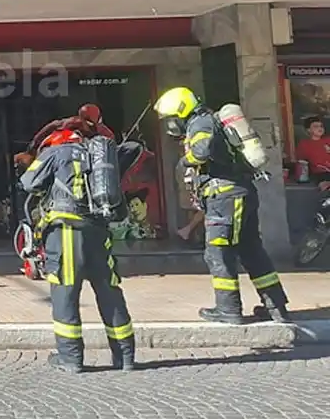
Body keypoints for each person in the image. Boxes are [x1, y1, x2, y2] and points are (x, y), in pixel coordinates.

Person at [153, 87, 290, 324]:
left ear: (182, 110)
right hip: (240, 193)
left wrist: (185, 161)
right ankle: (276, 307)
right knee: (252, 251)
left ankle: (228, 309)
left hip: (224, 199)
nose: (171, 126)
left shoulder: (200, 123)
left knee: (218, 253)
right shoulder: (209, 120)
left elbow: (201, 152)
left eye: (172, 119)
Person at [19, 129, 136, 374]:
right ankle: (125, 357)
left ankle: (70, 358)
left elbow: (28, 182)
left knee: (65, 294)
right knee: (109, 292)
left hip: (67, 234)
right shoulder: (97, 158)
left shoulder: (55, 152)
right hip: (99, 234)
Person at [17, 104, 116, 168]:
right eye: (89, 123)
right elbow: (53, 125)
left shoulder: (107, 135)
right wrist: (34, 145)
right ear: (81, 119)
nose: (93, 127)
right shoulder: (71, 123)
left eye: (96, 123)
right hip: (59, 155)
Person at [295, 116, 330, 190]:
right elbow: (301, 162)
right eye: (316, 126)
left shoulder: (328, 140)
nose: (320, 128)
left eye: (321, 126)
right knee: (324, 183)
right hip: (320, 173)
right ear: (308, 130)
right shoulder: (304, 144)